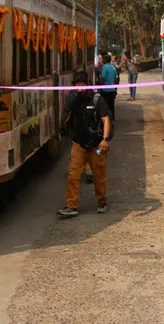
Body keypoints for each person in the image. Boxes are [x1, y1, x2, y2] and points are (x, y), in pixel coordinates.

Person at [58, 70, 113, 218]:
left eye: (82, 85)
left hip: (97, 146)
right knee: (73, 175)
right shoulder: (73, 100)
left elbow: (106, 120)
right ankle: (71, 206)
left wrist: (105, 140)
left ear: (88, 85)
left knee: (98, 174)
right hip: (79, 145)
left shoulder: (97, 100)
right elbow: (66, 113)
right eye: (77, 85)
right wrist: (62, 127)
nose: (79, 88)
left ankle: (102, 201)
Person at [99, 53, 119, 121]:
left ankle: (107, 120)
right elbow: (116, 79)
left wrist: (100, 87)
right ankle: (112, 119)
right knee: (111, 105)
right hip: (112, 90)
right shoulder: (113, 67)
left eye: (102, 59)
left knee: (105, 106)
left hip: (105, 91)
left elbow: (102, 79)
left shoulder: (104, 67)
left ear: (104, 60)